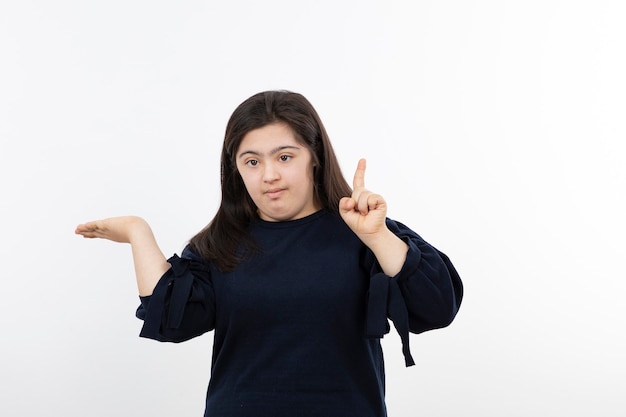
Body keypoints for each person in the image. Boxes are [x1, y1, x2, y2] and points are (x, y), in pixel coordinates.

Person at [75, 90, 463, 417]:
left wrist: (378, 238)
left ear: (315, 156)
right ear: (236, 170)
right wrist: (137, 232)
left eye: (284, 157)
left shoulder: (363, 230)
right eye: (252, 161)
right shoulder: (218, 245)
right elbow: (170, 322)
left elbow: (437, 308)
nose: (269, 176)